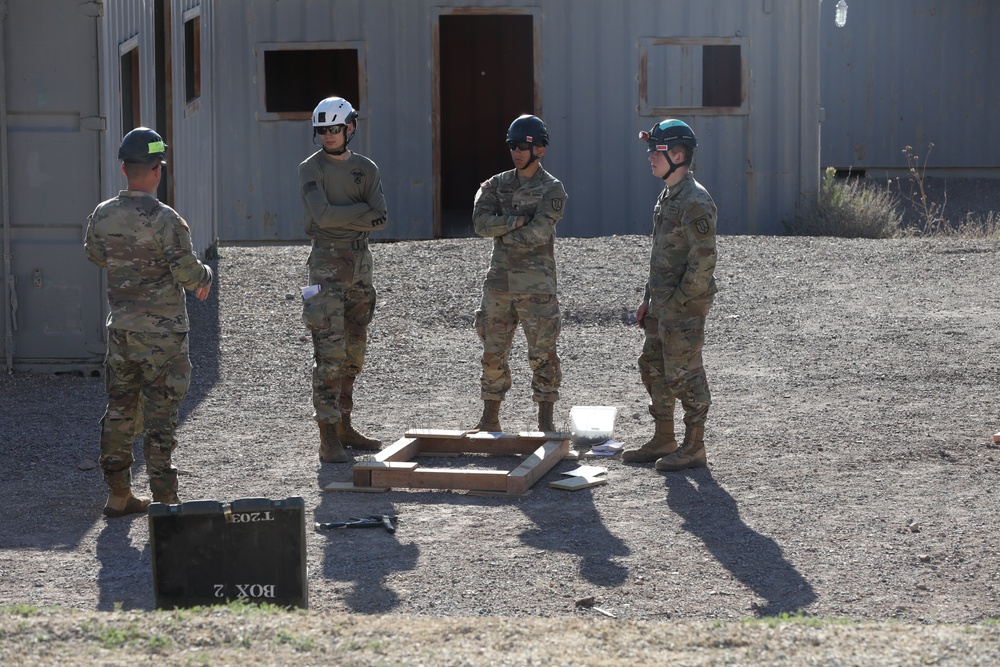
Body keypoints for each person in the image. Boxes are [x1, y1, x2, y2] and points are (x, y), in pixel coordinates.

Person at [85, 127, 214, 517]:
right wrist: (206, 275)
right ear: (158, 171)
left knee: (121, 410)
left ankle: (118, 492)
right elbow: (190, 275)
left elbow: (95, 255)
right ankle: (164, 498)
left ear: (124, 168)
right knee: (161, 414)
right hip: (163, 336)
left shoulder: (103, 214)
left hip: (122, 330)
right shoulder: (166, 220)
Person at [623, 119, 718, 471]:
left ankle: (694, 446)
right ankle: (664, 437)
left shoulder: (695, 200)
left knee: (685, 373)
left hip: (683, 305)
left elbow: (704, 260)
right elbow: (662, 255)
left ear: (678, 155)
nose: (650, 158)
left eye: (656, 152)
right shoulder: (669, 195)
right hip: (661, 304)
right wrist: (649, 299)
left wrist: (678, 304)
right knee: (654, 367)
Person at [298, 96, 386, 463]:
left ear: (350, 128)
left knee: (354, 353)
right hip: (325, 264)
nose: (328, 136)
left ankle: (345, 424)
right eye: (322, 131)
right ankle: (327, 437)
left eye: (334, 129)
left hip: (360, 265)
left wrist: (341, 217)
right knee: (329, 354)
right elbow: (321, 216)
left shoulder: (366, 168)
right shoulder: (310, 168)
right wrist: (358, 214)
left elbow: (381, 217)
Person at [472, 114, 568, 433]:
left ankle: (545, 424)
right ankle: (489, 419)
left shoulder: (552, 189)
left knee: (543, 355)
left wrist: (501, 229)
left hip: (536, 287)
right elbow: (480, 223)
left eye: (523, 146)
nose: (517, 152)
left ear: (539, 149)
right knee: (492, 353)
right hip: (499, 286)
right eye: (513, 146)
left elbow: (539, 233)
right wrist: (514, 222)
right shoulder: (495, 184)